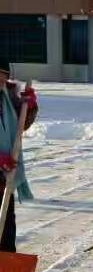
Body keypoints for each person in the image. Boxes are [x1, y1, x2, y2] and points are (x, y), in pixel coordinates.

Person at [0, 61, 38, 252]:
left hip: (4, 172)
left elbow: (21, 126)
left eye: (3, 75)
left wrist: (29, 107)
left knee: (6, 218)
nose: (0, 79)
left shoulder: (8, 97)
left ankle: (7, 265)